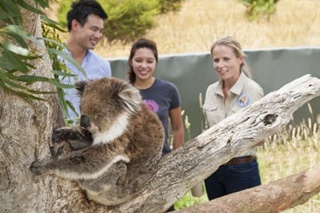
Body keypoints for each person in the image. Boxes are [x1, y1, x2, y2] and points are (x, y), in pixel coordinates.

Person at [202, 36, 264, 200]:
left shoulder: (252, 91)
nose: (220, 65)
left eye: (226, 59)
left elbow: (261, 138)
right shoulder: (210, 91)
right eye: (216, 60)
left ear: (240, 59)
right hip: (212, 169)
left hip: (241, 168)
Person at [127, 38, 184, 212]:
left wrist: (175, 159)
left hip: (161, 163)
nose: (144, 65)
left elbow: (178, 128)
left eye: (149, 61)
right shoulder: (123, 92)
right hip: (131, 168)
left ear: (156, 63)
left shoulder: (168, 90)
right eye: (138, 60)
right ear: (131, 62)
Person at [62, 0, 112, 123]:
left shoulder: (103, 66)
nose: (98, 35)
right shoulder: (51, 59)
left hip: (88, 138)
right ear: (75, 25)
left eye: (101, 31)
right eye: (94, 29)